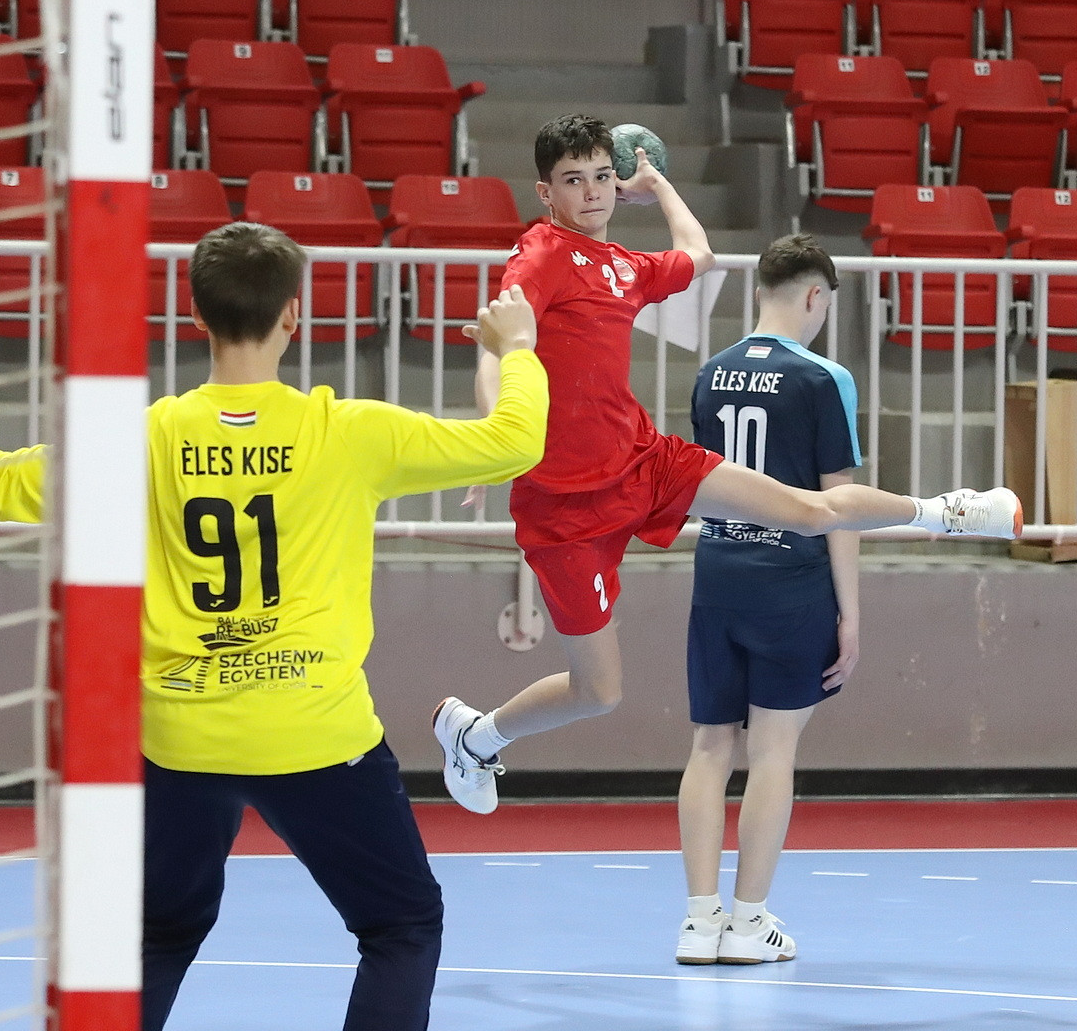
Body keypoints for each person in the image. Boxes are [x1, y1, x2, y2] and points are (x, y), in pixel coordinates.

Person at [0, 222, 550, 1031]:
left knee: (158, 933)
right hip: (313, 730)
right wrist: (517, 348)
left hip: (180, 732)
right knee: (401, 926)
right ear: (294, 314)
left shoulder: (147, 437)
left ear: (194, 316)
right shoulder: (352, 432)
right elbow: (516, 443)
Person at [433, 114, 1021, 817]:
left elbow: (699, 254)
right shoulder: (540, 254)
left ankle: (948, 511)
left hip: (643, 462)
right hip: (563, 509)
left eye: (601, 177)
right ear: (545, 193)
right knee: (600, 692)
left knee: (806, 509)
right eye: (573, 180)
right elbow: (497, 345)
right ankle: (476, 737)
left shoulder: (623, 266)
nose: (591, 193)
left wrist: (656, 185)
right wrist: (496, 433)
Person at [674, 233, 858, 967]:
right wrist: (851, 612)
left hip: (718, 571)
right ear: (815, 296)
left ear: (759, 290)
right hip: (791, 579)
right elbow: (838, 506)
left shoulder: (709, 374)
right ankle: (749, 922)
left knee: (709, 746)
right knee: (774, 748)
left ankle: (699, 922)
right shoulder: (824, 379)